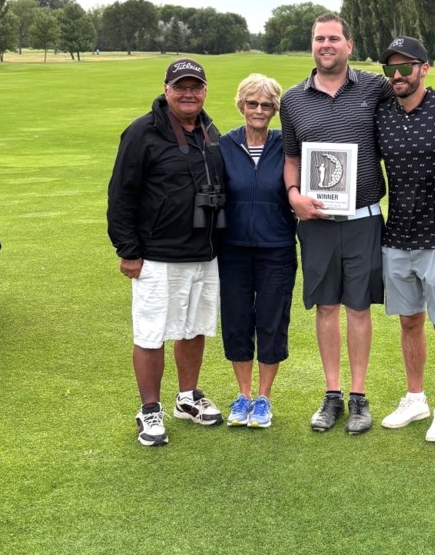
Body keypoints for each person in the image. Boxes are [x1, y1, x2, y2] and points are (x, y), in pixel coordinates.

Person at [281, 13, 393, 434]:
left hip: (363, 218)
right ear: (312, 46)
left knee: (359, 307)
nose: (325, 45)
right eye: (318, 39)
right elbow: (292, 158)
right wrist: (293, 197)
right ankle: (332, 396)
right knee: (326, 305)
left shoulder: (375, 88)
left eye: (333, 38)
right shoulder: (293, 99)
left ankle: (359, 397)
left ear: (349, 44)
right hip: (316, 223)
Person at [107, 58, 225, 447]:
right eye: (181, 86)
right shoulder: (142, 133)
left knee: (194, 328)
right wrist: (128, 250)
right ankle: (150, 409)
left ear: (205, 90)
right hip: (156, 255)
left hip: (205, 253)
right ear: (166, 88)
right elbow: (121, 194)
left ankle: (187, 397)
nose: (188, 93)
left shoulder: (210, 130)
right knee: (151, 333)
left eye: (196, 86)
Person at [375, 36, 435, 442]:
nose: (397, 75)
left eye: (405, 67)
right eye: (390, 69)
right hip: (397, 234)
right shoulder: (382, 115)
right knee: (408, 320)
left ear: (424, 68)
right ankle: (416, 398)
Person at [219, 74, 297, 429]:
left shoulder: (287, 146)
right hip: (232, 250)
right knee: (237, 322)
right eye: (253, 104)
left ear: (275, 110)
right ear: (241, 105)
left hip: (276, 248)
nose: (259, 111)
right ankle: (243, 395)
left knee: (271, 320)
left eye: (267, 105)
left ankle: (264, 399)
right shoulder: (223, 145)